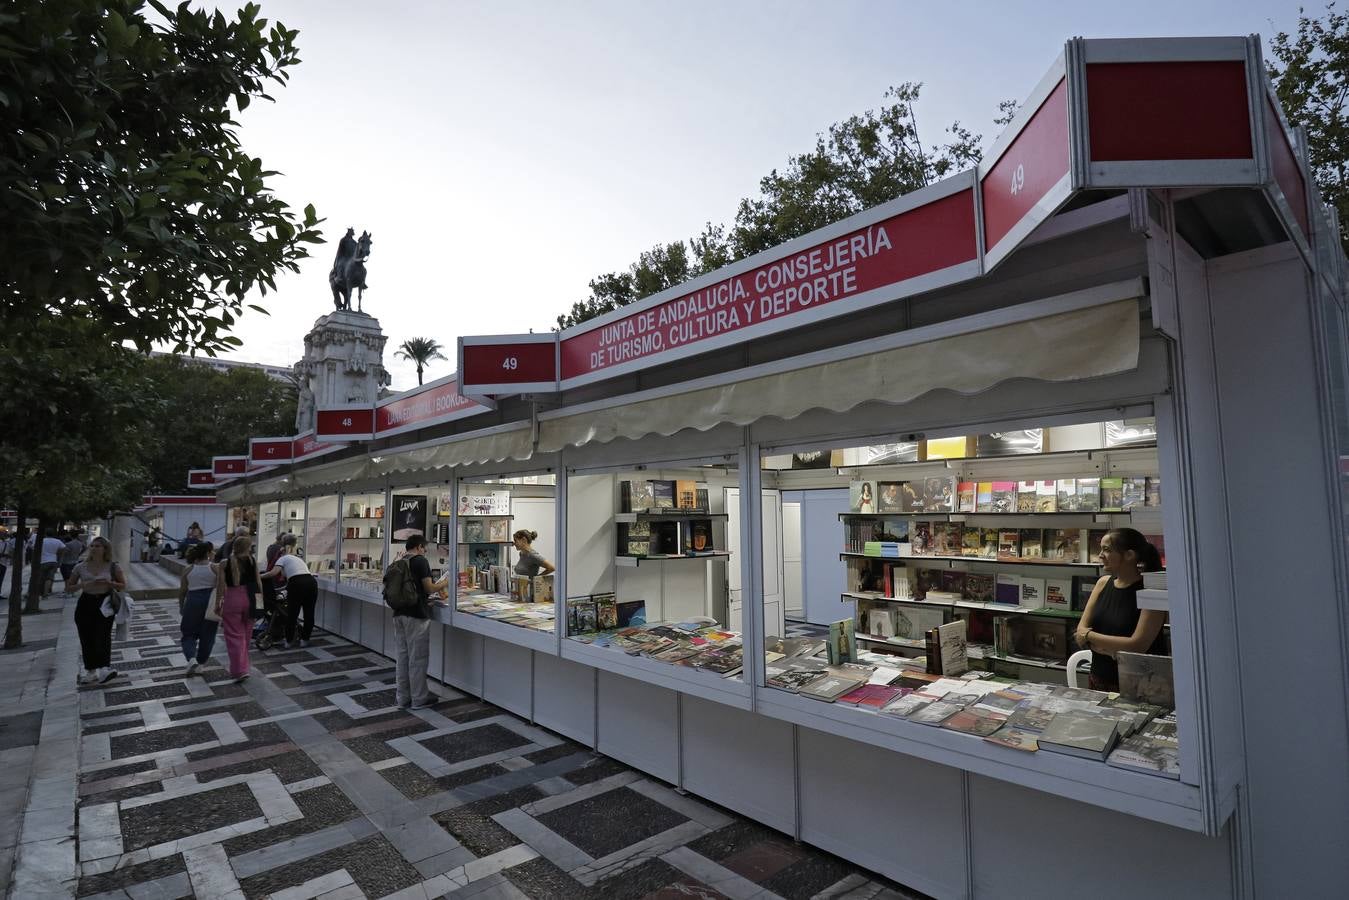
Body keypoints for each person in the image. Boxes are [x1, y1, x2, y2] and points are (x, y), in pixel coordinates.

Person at [1074, 527, 1167, 692]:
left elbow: (1136, 645)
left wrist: (1090, 637)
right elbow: (1079, 630)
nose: (1100, 555)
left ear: (1129, 555)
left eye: (1107, 550)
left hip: (1141, 686)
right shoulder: (1102, 583)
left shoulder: (1152, 592)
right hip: (1099, 679)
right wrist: (1113, 648)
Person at [388, 534, 448, 710]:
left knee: (402, 657)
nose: (425, 551)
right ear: (420, 547)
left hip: (399, 613)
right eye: (425, 548)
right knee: (418, 658)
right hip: (416, 615)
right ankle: (419, 698)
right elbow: (429, 587)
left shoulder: (399, 559)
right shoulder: (420, 561)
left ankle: (403, 698)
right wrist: (444, 582)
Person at [65, 536, 125, 685]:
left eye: (98, 546)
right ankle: (90, 671)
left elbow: (122, 585)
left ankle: (105, 668)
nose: (94, 548)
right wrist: (83, 585)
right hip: (86, 602)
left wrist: (109, 582)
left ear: (105, 548)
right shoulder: (80, 566)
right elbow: (69, 587)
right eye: (92, 545)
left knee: (103, 635)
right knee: (86, 637)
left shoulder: (112, 566)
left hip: (104, 603)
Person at [260, 534, 317, 649]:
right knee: (309, 613)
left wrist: (258, 576)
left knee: (292, 613)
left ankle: (289, 642)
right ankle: (305, 640)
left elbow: (273, 573)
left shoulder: (282, 558)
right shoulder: (298, 559)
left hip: (297, 583)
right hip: (311, 582)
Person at [219, 537, 261, 682]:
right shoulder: (252, 561)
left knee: (234, 636)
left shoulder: (225, 563)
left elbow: (220, 587)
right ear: (248, 547)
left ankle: (239, 670)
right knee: (246, 635)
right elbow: (258, 582)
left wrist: (218, 604)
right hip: (251, 598)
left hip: (232, 598)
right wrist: (260, 604)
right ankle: (245, 667)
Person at [177, 542, 219, 676]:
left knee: (188, 633)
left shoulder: (188, 569)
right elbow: (221, 588)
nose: (213, 554)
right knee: (208, 634)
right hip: (210, 601)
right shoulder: (214, 568)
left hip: (193, 601)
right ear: (207, 553)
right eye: (212, 551)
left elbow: (182, 591)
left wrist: (181, 606)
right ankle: (201, 663)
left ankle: (191, 658)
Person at [37, 528, 64, 599]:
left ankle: (40, 592)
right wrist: (58, 554)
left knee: (42, 578)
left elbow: (34, 547)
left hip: (43, 561)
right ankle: (46, 593)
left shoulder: (42, 541)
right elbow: (64, 548)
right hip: (53, 561)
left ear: (45, 534)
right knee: (49, 578)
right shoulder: (57, 541)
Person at [60, 530, 86, 596]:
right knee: (74, 577)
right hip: (75, 561)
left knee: (67, 577)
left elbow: (65, 552)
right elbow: (85, 547)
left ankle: (67, 590)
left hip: (66, 562)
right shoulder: (80, 543)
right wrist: (79, 553)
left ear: (70, 535)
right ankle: (72, 591)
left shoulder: (68, 544)